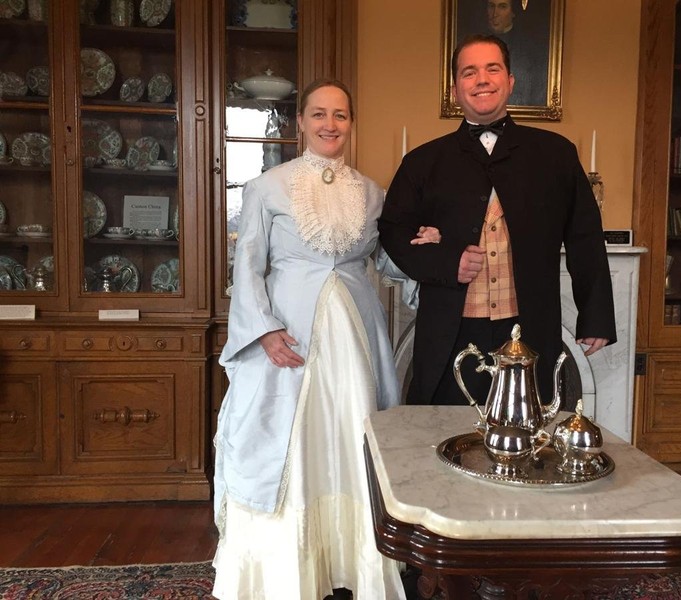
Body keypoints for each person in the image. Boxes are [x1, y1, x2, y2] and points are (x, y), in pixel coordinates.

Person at [212, 78, 439, 600]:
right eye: (318, 114)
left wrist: (421, 247)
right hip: (287, 335)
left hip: (357, 335)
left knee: (353, 430)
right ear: (301, 123)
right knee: (288, 438)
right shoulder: (267, 187)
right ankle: (286, 572)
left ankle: (354, 561)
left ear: (351, 123)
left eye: (339, 115)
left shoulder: (373, 191)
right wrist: (265, 331)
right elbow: (246, 265)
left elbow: (384, 260)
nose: (329, 125)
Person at [378, 34, 616, 409]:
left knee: (527, 435)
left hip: (530, 325)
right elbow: (392, 230)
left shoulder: (556, 154)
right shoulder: (423, 162)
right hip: (449, 329)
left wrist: (596, 314)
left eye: (493, 68)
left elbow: (585, 234)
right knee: (444, 437)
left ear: (510, 81)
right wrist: (445, 262)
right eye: (469, 72)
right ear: (456, 89)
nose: (482, 79)